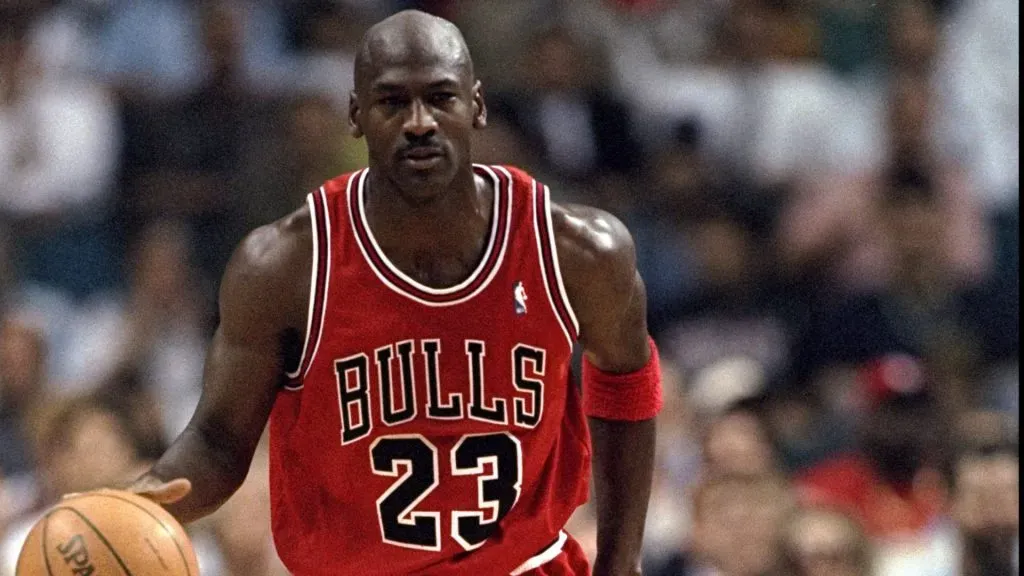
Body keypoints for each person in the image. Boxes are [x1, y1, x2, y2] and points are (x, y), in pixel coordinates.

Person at [117, 10, 662, 576]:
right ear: (356, 115)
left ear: (476, 106)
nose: (419, 122)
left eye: (440, 98)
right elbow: (217, 442)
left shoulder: (576, 250)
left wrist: (622, 560)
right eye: (393, 102)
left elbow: (626, 383)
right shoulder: (285, 265)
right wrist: (129, 507)